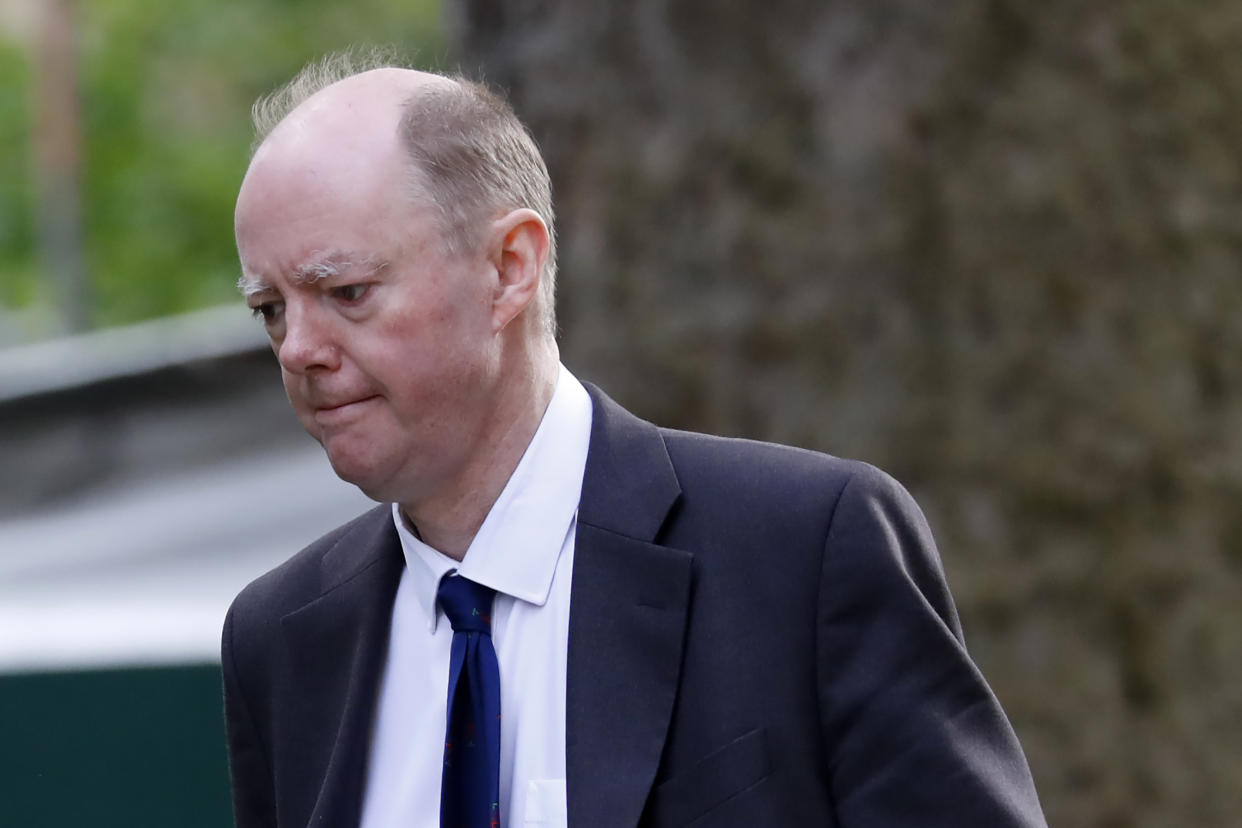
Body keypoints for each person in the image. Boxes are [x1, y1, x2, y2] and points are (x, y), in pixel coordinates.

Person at [222, 53, 1047, 828]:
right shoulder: (283, 637)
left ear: (510, 266)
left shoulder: (803, 552)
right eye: (271, 309)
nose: (298, 349)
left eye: (347, 291)